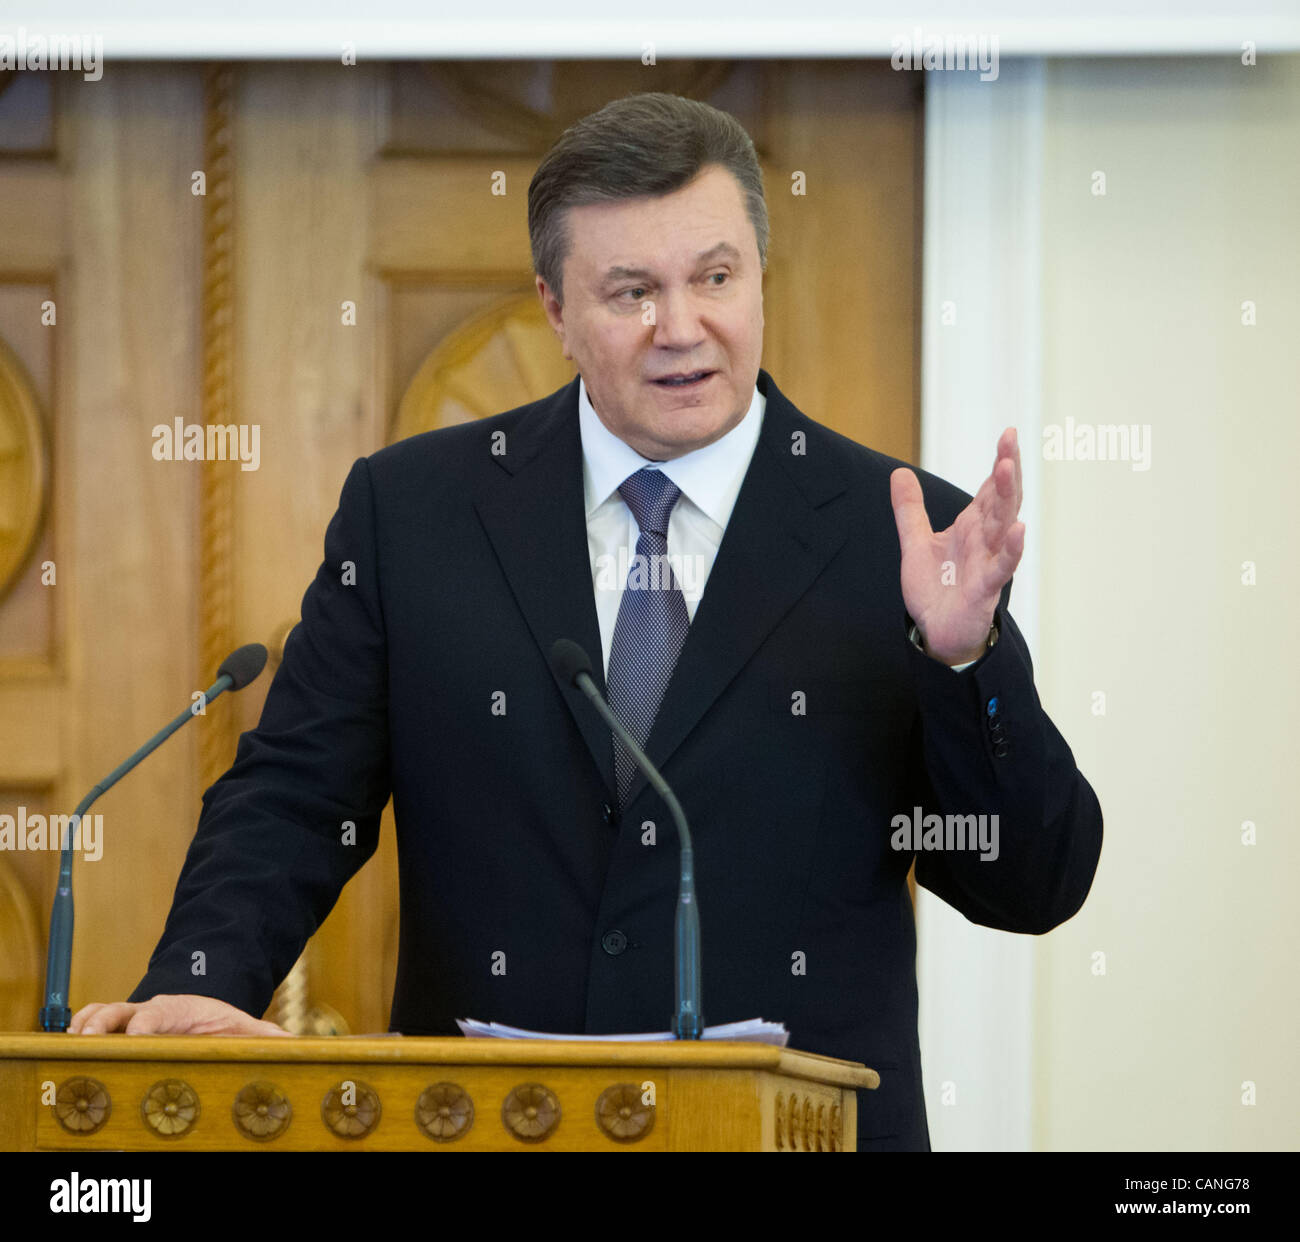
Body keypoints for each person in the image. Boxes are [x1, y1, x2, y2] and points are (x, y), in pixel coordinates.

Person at [71, 92, 1102, 1151]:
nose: (681, 328)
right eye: (630, 292)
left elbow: (1029, 884)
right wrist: (197, 981)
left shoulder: (901, 534)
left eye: (714, 277)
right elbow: (295, 795)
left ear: (758, 275)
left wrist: (964, 658)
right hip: (479, 1131)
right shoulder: (413, 513)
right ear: (554, 310)